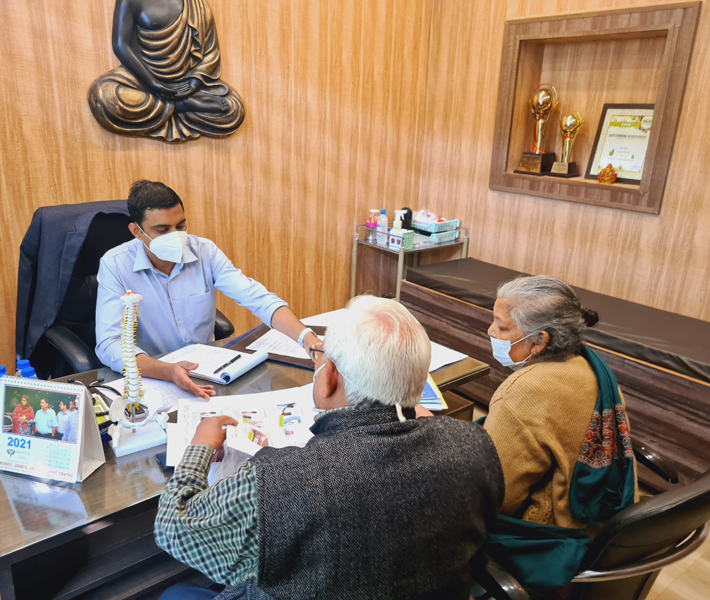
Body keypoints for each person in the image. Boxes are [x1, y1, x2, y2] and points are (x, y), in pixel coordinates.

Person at [154, 296, 505, 600]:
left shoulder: (277, 482)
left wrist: (200, 447)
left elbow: (173, 529)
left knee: (174, 593)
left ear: (329, 376)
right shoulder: (473, 443)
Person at [479, 275, 638, 595]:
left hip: (550, 537)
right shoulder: (589, 363)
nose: (490, 332)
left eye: (501, 326)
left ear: (539, 341)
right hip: (601, 520)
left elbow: (496, 497)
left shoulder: (524, 391)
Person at [95, 181, 321, 400]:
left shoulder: (204, 251)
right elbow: (109, 343)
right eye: (162, 229)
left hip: (208, 371)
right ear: (136, 230)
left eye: (180, 226)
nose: (176, 236)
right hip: (152, 377)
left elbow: (257, 298)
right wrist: (166, 370)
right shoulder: (115, 265)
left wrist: (307, 339)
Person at [88, 0, 244, 142]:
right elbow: (121, 45)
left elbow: (210, 53)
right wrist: (154, 83)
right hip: (141, 79)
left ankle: (166, 106)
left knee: (233, 109)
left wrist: (193, 85)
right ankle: (180, 106)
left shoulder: (197, 5)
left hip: (185, 84)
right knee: (104, 95)